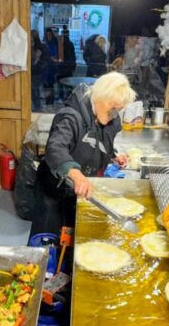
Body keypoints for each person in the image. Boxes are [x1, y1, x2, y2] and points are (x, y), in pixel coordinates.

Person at [30, 72, 136, 237]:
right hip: (54, 189)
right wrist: (76, 174)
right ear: (99, 96)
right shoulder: (71, 116)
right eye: (113, 107)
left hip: (78, 190)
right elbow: (55, 148)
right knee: (49, 238)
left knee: (71, 236)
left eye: (119, 110)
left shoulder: (107, 119)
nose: (114, 113)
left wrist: (113, 155)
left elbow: (100, 140)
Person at [31, 29, 50, 108]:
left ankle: (37, 106)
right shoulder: (41, 45)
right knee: (35, 89)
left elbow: (35, 60)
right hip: (37, 71)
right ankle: (37, 105)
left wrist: (36, 61)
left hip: (35, 71)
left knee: (34, 89)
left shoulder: (37, 47)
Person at [56, 26, 77, 91]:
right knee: (68, 82)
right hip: (68, 66)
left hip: (61, 66)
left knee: (60, 82)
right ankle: (69, 95)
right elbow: (73, 55)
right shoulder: (70, 44)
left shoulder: (59, 43)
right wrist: (73, 66)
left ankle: (61, 96)